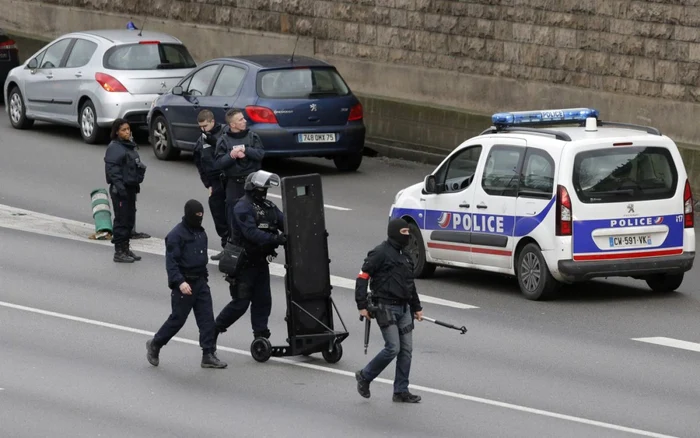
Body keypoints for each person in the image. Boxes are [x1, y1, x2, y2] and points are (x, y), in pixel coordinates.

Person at [146, 200, 227, 369]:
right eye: (196, 216)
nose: (199, 219)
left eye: (201, 216)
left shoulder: (200, 233)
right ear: (189, 215)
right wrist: (180, 282)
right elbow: (171, 263)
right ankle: (155, 344)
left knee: (207, 320)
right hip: (184, 283)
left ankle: (208, 354)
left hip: (200, 282)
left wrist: (204, 280)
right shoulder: (176, 235)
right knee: (178, 319)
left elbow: (202, 259)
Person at [354, 218, 424, 403]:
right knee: (393, 348)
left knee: (406, 351)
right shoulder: (380, 253)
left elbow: (410, 284)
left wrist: (417, 308)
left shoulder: (406, 256)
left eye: (408, 233)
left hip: (404, 309)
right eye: (403, 233)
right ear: (394, 232)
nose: (407, 236)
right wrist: (361, 305)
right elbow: (362, 277)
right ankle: (365, 376)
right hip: (386, 307)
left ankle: (401, 391)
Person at [214, 170, 285, 343]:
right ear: (253, 188)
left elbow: (284, 221)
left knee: (263, 300)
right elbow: (251, 233)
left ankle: (260, 336)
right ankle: (214, 330)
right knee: (240, 303)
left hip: (260, 262)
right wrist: (276, 239)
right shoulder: (242, 207)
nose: (265, 192)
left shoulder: (267, 206)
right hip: (243, 264)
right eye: (262, 189)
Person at [214, 109, 265, 238]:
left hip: (252, 184)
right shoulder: (224, 141)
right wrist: (231, 156)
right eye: (240, 119)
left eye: (243, 118)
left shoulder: (252, 137)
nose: (245, 121)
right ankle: (233, 248)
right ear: (233, 125)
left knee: (255, 215)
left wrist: (246, 150)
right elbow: (219, 163)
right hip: (234, 184)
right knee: (233, 216)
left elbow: (260, 154)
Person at [104, 119, 147, 263]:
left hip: (130, 189)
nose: (127, 132)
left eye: (128, 129)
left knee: (129, 221)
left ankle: (126, 248)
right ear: (117, 132)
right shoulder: (115, 148)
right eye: (123, 130)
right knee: (121, 221)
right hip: (120, 190)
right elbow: (112, 171)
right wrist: (121, 190)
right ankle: (119, 252)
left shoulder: (128, 146)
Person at [192, 109, 228, 260]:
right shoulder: (201, 140)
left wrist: (215, 142)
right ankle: (226, 247)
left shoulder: (226, 133)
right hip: (214, 182)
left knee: (233, 214)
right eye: (200, 126)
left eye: (205, 126)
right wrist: (208, 184)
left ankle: (236, 248)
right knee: (218, 214)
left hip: (229, 179)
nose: (203, 129)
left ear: (212, 121)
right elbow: (199, 163)